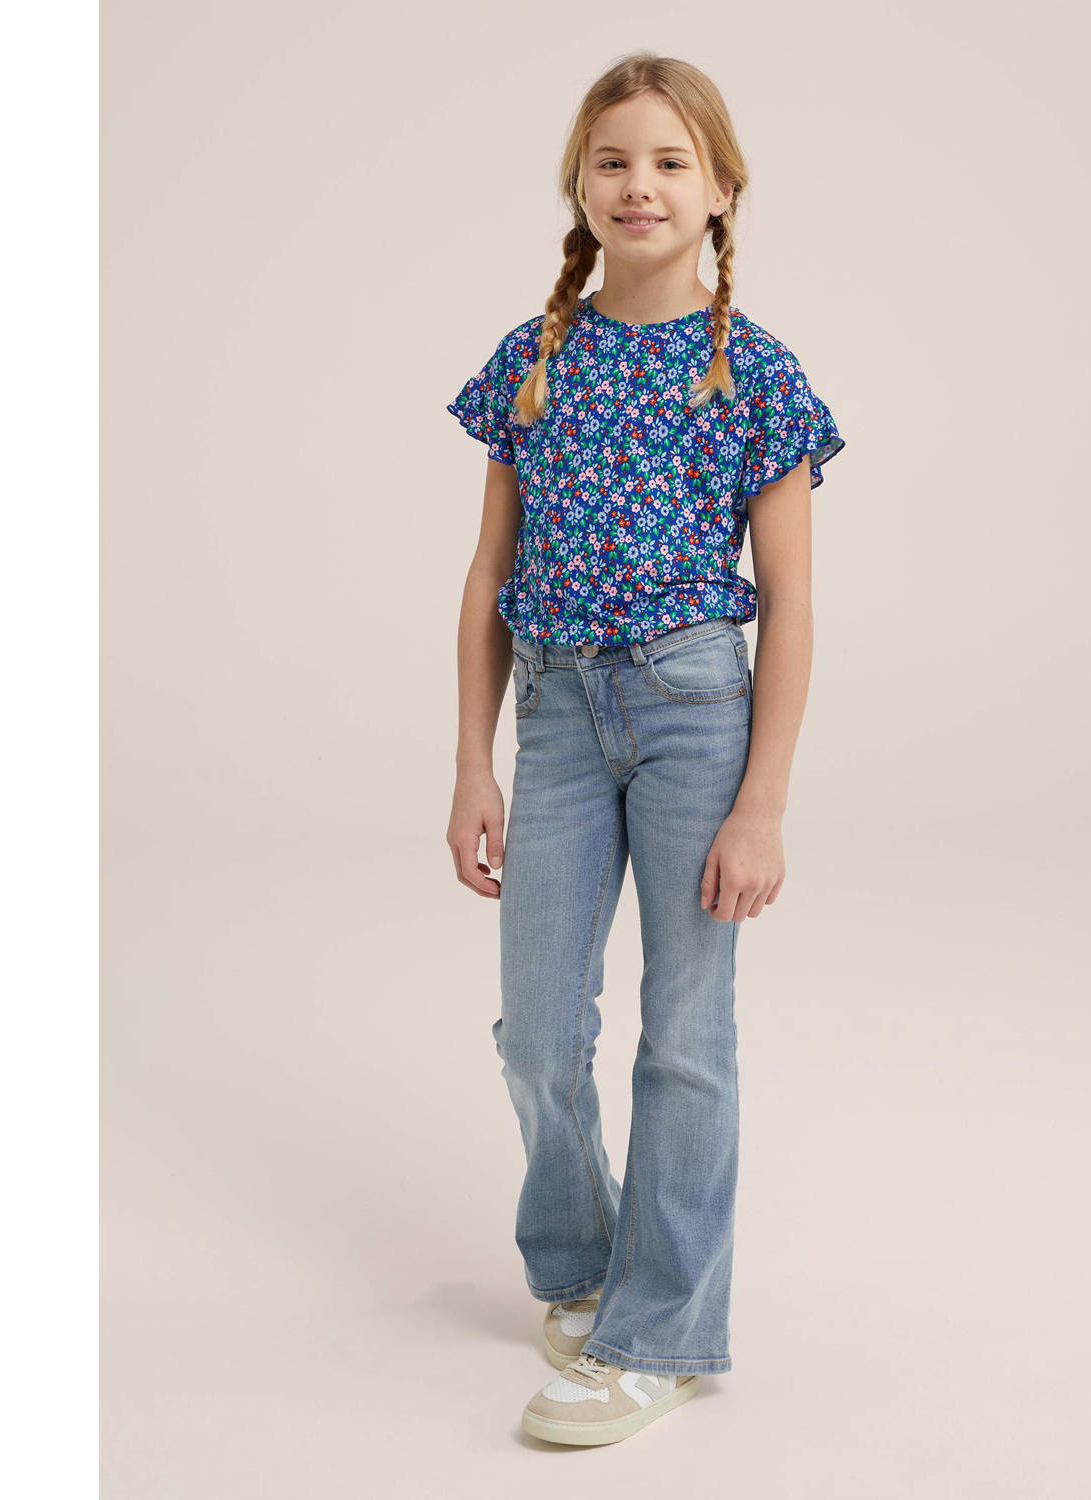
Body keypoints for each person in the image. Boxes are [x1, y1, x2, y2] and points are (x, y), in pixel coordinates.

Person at [444, 52, 845, 1447]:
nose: (640, 185)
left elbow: (792, 604)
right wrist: (474, 763)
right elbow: (488, 576)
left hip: (695, 717)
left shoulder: (757, 375)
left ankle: (665, 1333)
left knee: (686, 1034)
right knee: (538, 1032)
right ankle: (583, 1259)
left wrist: (762, 805)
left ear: (721, 189)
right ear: (580, 185)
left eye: (673, 162)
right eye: (613, 160)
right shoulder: (535, 360)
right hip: (557, 720)